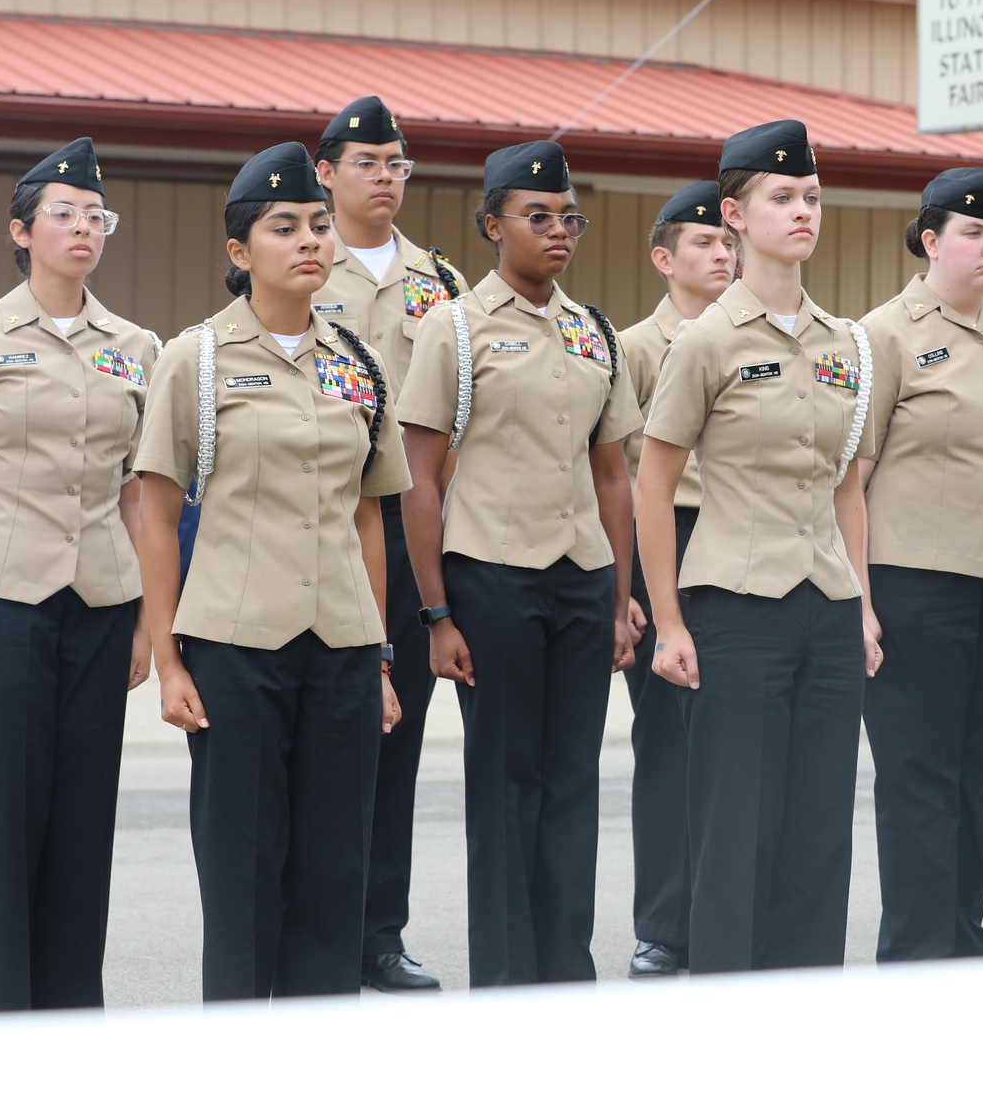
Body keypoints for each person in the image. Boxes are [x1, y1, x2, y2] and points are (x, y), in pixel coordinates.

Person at [133, 142, 408, 1001]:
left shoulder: (356, 362)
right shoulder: (198, 358)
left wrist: (381, 654)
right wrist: (168, 658)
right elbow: (152, 506)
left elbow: (369, 511)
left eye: (318, 225)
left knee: (334, 868)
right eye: (283, 227)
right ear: (239, 252)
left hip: (341, 645)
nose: (308, 241)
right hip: (235, 644)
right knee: (245, 866)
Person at [0, 139, 155, 1012]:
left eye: (97, 215)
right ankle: (11, 1015)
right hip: (1, 602)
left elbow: (138, 495)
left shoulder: (134, 345)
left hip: (100, 601)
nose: (85, 227)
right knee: (11, 820)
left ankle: (71, 1015)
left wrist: (147, 623)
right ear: (22, 230)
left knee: (86, 819)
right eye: (65, 213)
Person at [637, 119, 880, 974]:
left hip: (828, 603)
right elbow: (653, 484)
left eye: (810, 196)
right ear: (734, 216)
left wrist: (865, 607)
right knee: (735, 829)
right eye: (781, 197)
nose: (802, 211)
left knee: (818, 828)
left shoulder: (845, 341)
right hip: (733, 609)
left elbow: (847, 481)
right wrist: (666, 620)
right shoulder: (706, 338)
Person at [397, 140, 640, 987]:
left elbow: (613, 473)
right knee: (507, 780)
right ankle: (506, 976)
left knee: (574, 778)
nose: (558, 230)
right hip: (491, 575)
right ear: (492, 223)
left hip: (579, 575)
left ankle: (564, 971)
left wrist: (619, 596)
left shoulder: (593, 328)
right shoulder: (454, 327)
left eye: (569, 215)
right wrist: (436, 613)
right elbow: (419, 477)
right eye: (537, 216)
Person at [856, 166, 983, 962]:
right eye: (973, 233)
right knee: (918, 773)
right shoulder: (882, 334)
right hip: (916, 584)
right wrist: (860, 603)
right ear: (931, 239)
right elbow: (852, 476)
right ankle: (914, 941)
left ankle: (955, 928)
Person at [311, 95, 466, 994]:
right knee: (323, 738)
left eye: (398, 162)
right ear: (326, 171)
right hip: (316, 531)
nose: (386, 176)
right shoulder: (296, 260)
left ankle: (379, 931)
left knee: (394, 740)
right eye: (367, 161)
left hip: (404, 538)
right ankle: (320, 926)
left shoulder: (437, 281)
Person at [617, 179, 735, 978]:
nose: (721, 254)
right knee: (666, 746)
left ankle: (723, 911)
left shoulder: (754, 335)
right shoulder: (633, 348)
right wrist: (623, 587)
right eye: (703, 243)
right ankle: (665, 923)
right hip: (665, 538)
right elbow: (615, 473)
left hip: (738, 544)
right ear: (664, 258)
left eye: (727, 242)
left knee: (733, 748)